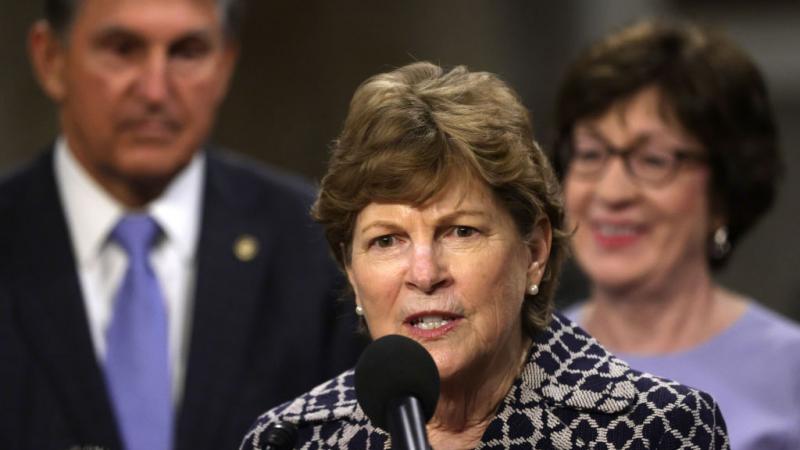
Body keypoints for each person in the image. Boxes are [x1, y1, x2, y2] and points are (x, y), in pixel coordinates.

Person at [240, 62, 729, 449]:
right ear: (351, 269)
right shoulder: (293, 439)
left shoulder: (652, 431)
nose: (424, 273)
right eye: (387, 240)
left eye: (460, 231)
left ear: (534, 251)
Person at [0, 1, 363, 449]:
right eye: (122, 49)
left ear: (226, 64)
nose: (155, 90)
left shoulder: (318, 246)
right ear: (50, 59)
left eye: (187, 51)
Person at [553, 19, 800, 450]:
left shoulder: (790, 373)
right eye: (590, 154)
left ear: (724, 191)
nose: (611, 192)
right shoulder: (515, 365)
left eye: (653, 161)